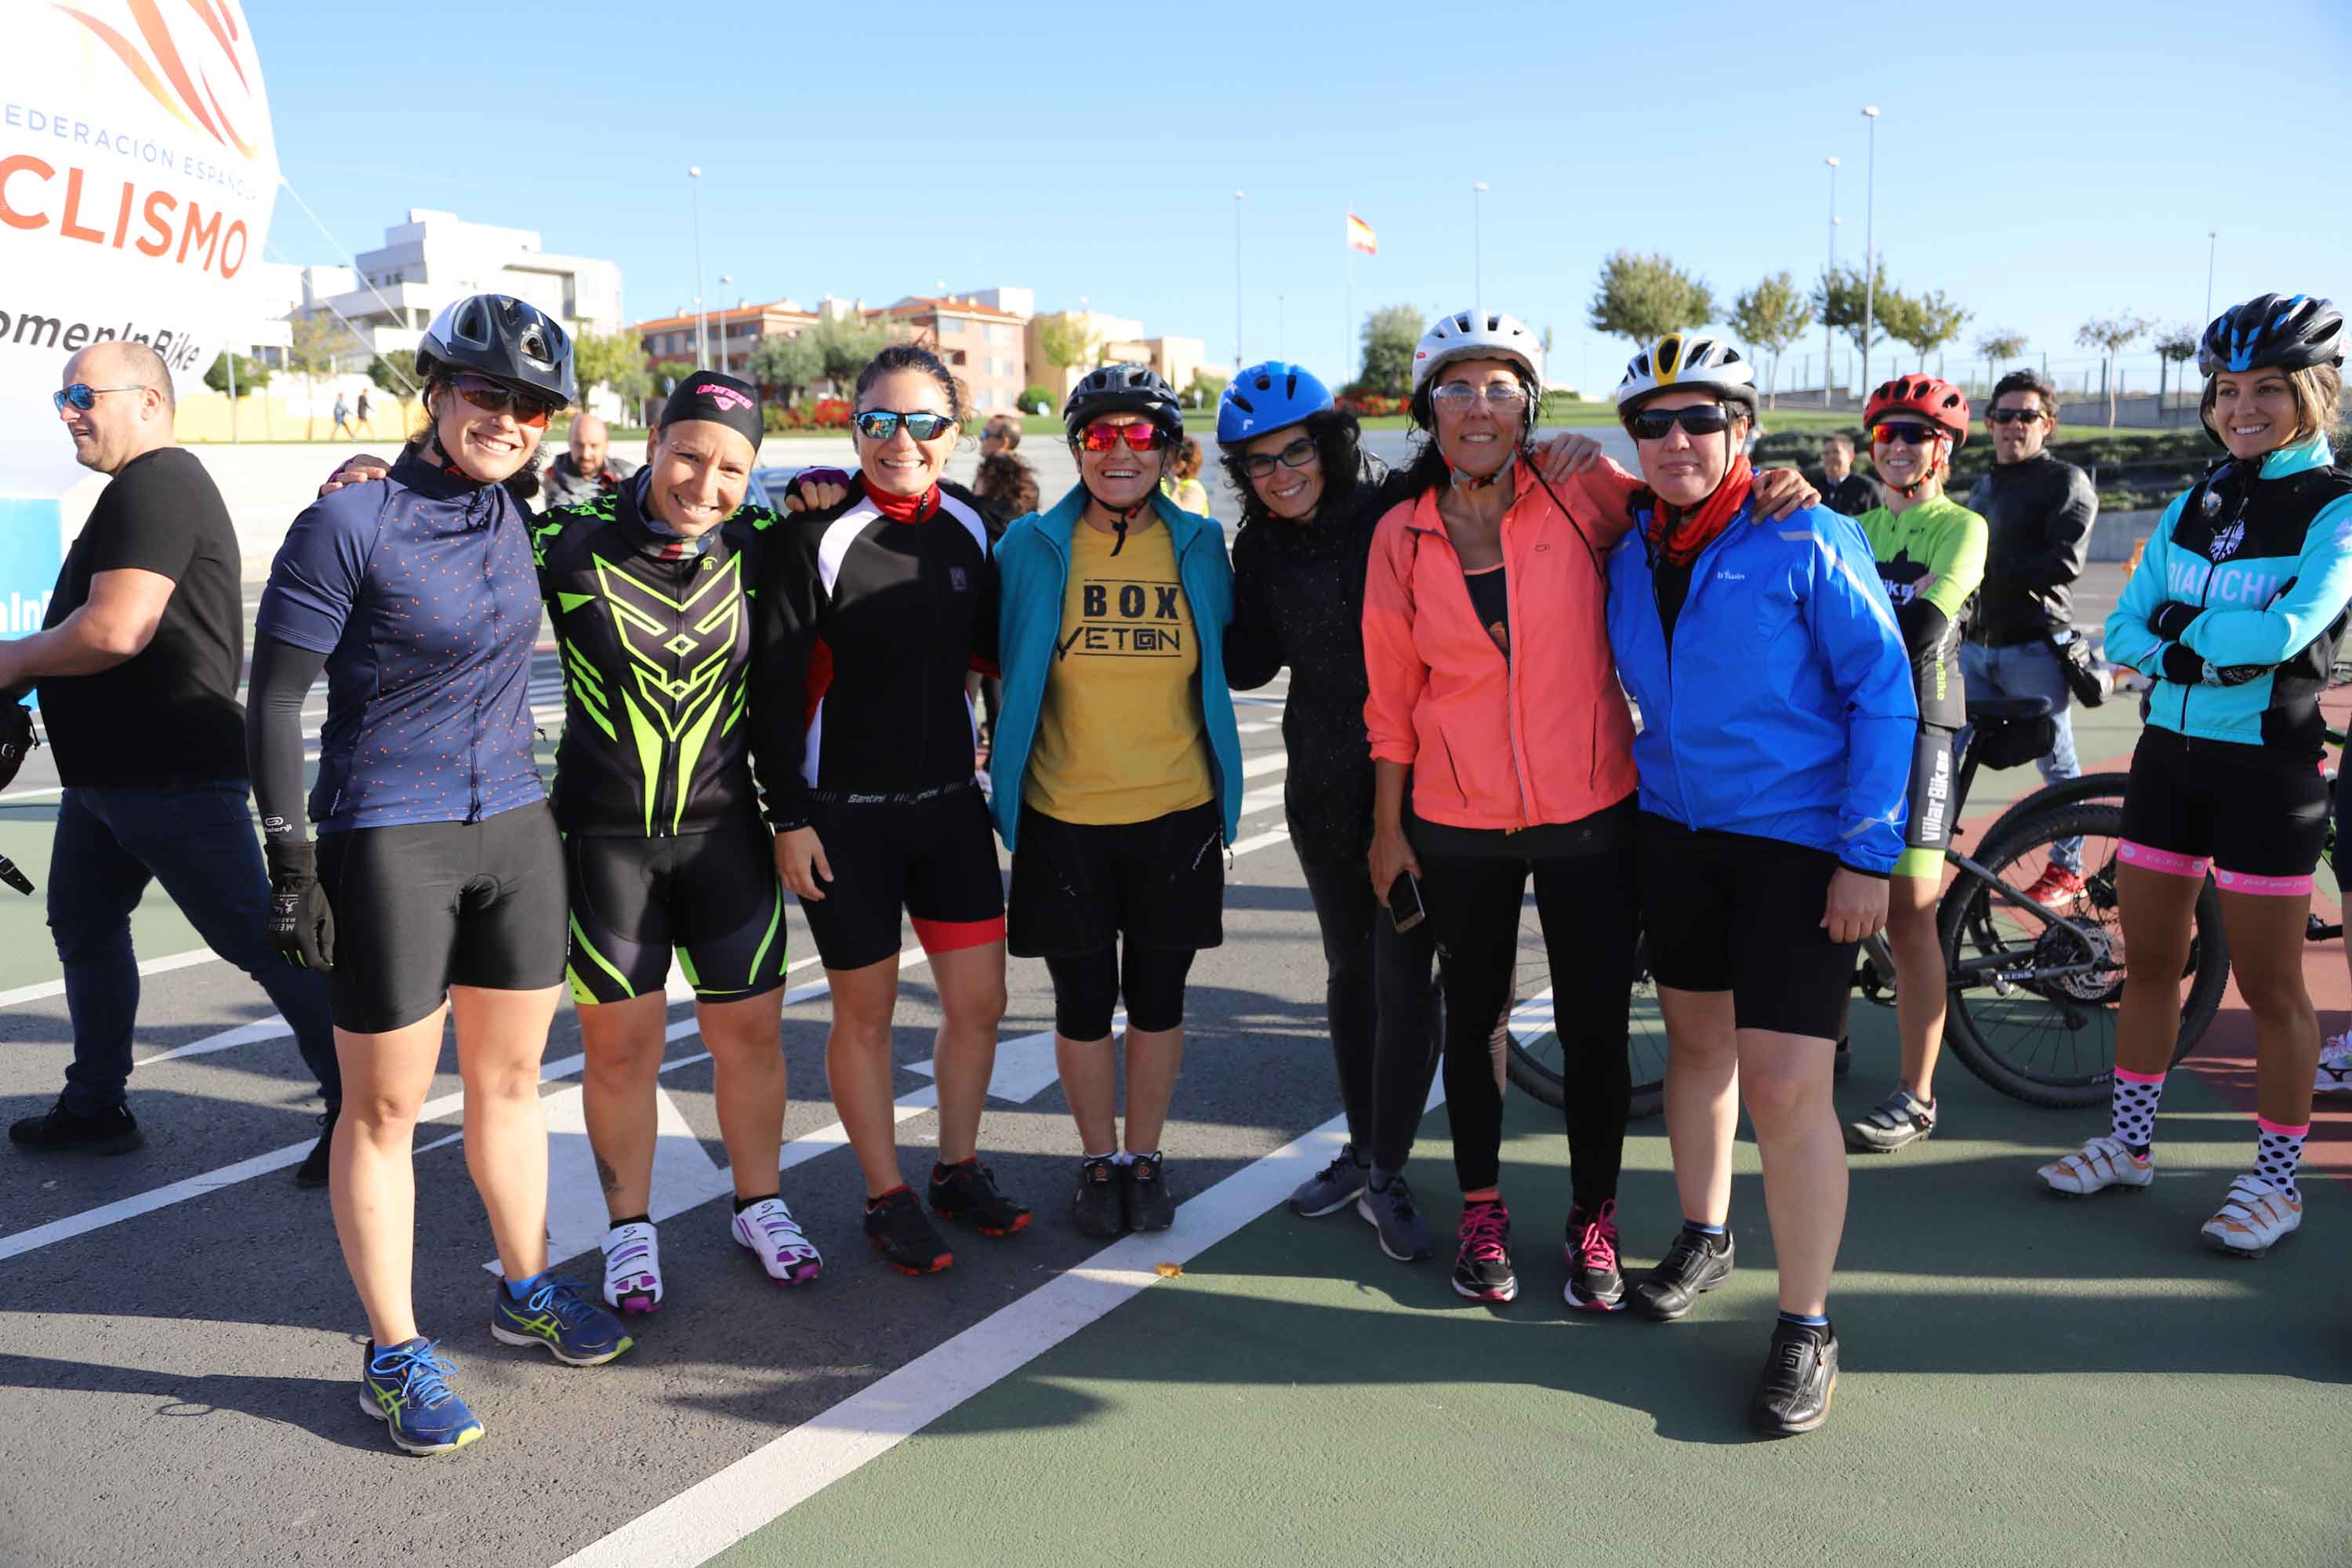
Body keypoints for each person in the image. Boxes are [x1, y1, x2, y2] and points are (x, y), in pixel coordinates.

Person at [329, 375, 818, 1309]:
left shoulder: (766, 544)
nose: (703, 482)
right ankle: (630, 1227)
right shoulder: (564, 536)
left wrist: (791, 813)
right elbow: (453, 509)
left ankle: (761, 1202)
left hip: (728, 842)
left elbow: (790, 685)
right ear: (654, 437)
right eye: (688, 453)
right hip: (602, 846)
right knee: (621, 1051)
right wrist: (379, 471)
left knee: (750, 1036)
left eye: (731, 468)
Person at [252, 294, 631, 1457]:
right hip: (387, 840)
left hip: (515, 832)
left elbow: (688, 505)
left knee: (513, 1087)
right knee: (383, 1109)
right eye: (486, 393)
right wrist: (290, 856)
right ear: (436, 390)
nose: (508, 418)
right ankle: (394, 1351)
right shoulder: (348, 525)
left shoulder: (520, 513)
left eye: (531, 405)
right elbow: (274, 699)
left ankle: (525, 1289)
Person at [1602, 331, 1914, 1436]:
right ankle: (1704, 1231)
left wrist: (1868, 855)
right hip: (1674, 834)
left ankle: (1808, 1323)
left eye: (1702, 419)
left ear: (1743, 428)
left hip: (1795, 846)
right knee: (1698, 1050)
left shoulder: (1806, 532)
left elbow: (1885, 692)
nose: (1676, 440)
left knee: (1787, 1090)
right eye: (1653, 422)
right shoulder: (1629, 539)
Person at [2046, 293, 2352, 1260]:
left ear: (2312, 392)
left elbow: (2285, 633)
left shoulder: (2337, 502)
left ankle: (2276, 1182)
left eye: (2267, 387)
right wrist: (2196, 644)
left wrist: (2181, 636)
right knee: (2147, 964)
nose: (2242, 406)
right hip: (2169, 760)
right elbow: (2125, 624)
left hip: (2269, 767)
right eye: (2226, 389)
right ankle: (2130, 1145)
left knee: (2272, 988)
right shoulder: (2198, 497)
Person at [1361, 310, 1656, 1310]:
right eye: (1456, 387)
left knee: (1595, 1025)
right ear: (1427, 410)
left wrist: (1785, 486)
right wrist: (1388, 826)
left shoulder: (1581, 492)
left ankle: (1594, 1218)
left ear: (1528, 404)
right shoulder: (1399, 535)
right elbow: (1392, 696)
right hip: (1456, 817)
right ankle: (1482, 1209)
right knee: (1475, 1018)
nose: (1477, 406)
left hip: (1590, 806)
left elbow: (1695, 504)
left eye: (1498, 387)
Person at [4, 343, 342, 1183]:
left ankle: (365, 1107)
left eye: (84, 393)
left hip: (166, 774)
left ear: (149, 401)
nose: (68, 408)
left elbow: (118, 628)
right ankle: (96, 1105)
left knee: (264, 942)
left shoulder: (157, 482)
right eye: (62, 393)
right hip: (111, 781)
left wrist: (12, 659)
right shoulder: (138, 488)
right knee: (84, 926)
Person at [756, 343, 1025, 1276]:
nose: (899, 439)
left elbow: (1003, 654)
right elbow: (777, 690)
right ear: (853, 427)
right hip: (846, 821)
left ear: (953, 435)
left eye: (922, 422)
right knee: (864, 1014)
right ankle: (885, 1193)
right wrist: (788, 816)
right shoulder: (813, 534)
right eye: (878, 420)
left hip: (950, 810)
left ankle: (954, 1166)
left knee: (980, 1004)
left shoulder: (979, 526)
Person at [991, 365, 1244, 1239]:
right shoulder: (1029, 545)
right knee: (1080, 1000)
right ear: (1076, 449)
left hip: (1177, 813)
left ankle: (1146, 1153)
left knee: (1161, 997)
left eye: (1141, 436)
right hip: (1065, 814)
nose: (1121, 452)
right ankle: (1097, 1159)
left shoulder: (1201, 546)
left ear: (1170, 452)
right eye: (1101, 436)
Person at [1220, 360, 1443, 1261]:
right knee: (1352, 976)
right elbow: (1248, 665)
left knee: (1405, 981)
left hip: (1420, 788)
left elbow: (1501, 464)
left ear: (1332, 443)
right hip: (1321, 785)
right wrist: (1206, 579)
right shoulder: (1262, 546)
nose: (1281, 474)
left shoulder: (1397, 509)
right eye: (1259, 463)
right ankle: (1364, 1151)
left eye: (1295, 452)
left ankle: (1388, 1166)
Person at [1842, 379, 1986, 1154]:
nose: (1898, 446)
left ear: (1945, 447)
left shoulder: (1962, 526)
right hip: (1845, 728)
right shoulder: (1850, 525)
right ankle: (1827, 1047)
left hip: (1924, 726)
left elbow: (1924, 629)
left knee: (1908, 912)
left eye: (1915, 434)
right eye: (1887, 433)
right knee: (1824, 890)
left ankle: (1918, 1095)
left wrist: (1863, 623)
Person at [1964, 368, 2097, 909]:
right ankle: (1933, 862)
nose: (2013, 426)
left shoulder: (2065, 481)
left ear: (2048, 424)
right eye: (2003, 415)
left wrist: (1978, 570)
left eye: (2026, 416)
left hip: (2034, 647)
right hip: (1974, 648)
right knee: (1941, 757)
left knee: (2057, 765)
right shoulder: (1984, 483)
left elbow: (2064, 563)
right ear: (1988, 422)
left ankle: (2069, 870)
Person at [542, 413, 641, 510]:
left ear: (606, 445)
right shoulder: (555, 480)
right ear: (569, 443)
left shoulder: (628, 472)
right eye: (579, 445)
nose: (586, 454)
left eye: (594, 446)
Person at [1817, 432, 1884, 517]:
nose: (1831, 457)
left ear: (1851, 456)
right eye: (1826, 453)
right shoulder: (1814, 488)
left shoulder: (1867, 488)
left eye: (1836, 452)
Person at [1163, 436, 1210, 514]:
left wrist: (1173, 490)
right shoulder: (1166, 481)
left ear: (1182, 464)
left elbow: (1185, 521)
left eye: (1170, 457)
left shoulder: (1194, 489)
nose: (1165, 462)